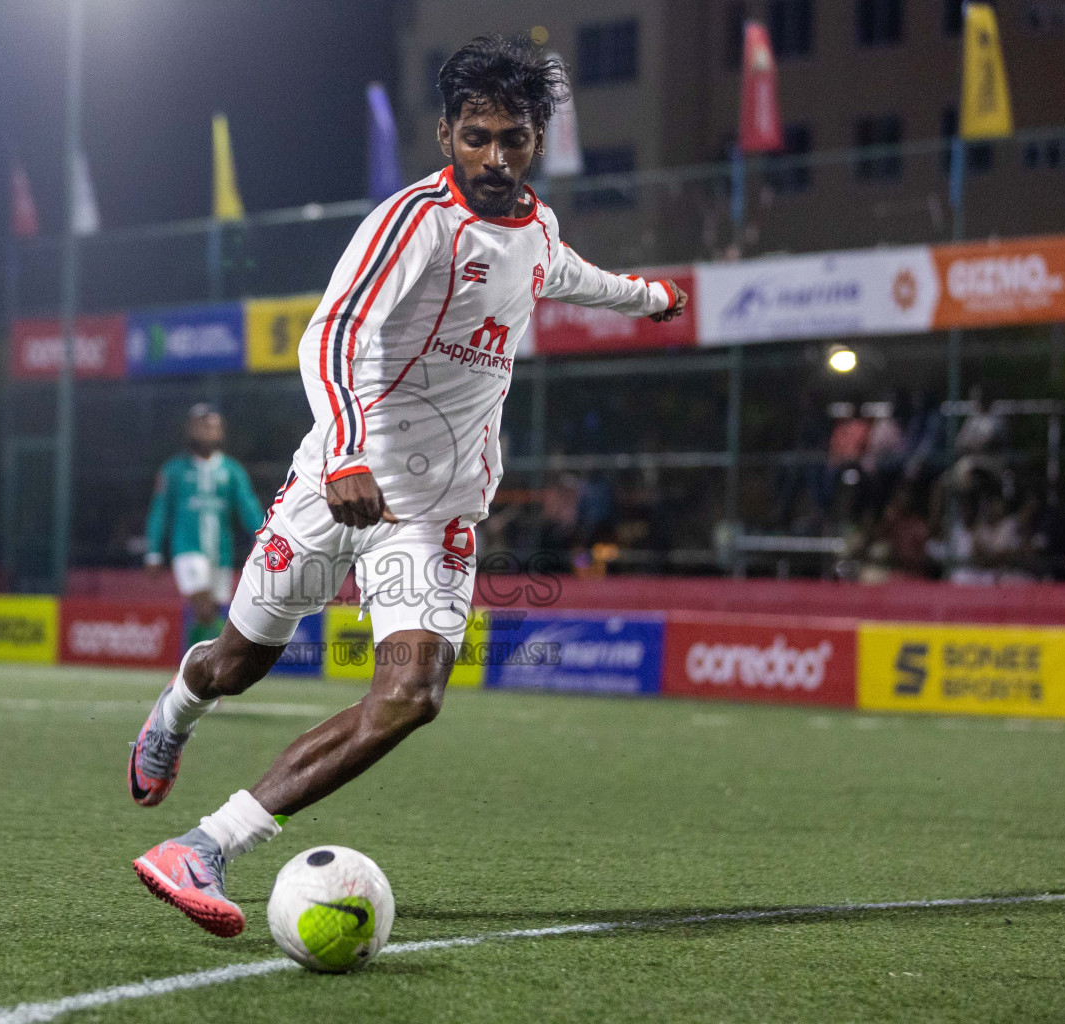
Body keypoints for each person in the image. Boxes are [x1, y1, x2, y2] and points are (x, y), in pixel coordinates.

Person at [124, 35, 687, 937]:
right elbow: (331, 336)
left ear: (537, 136)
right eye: (476, 137)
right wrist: (346, 453)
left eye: (513, 138)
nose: (495, 158)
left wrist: (646, 296)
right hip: (336, 483)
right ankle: (174, 713)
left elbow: (564, 274)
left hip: (433, 516)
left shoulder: (535, 229)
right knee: (237, 663)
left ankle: (206, 846)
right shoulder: (412, 223)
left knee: (412, 696)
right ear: (445, 133)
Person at [143, 404, 266, 646]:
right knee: (203, 606)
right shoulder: (174, 470)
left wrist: (264, 539)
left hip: (221, 552)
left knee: (210, 613)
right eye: (201, 426)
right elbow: (159, 512)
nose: (207, 432)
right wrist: (153, 551)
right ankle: (220, 660)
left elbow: (248, 508)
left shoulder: (232, 471)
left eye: (212, 426)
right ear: (190, 430)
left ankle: (194, 664)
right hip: (187, 549)